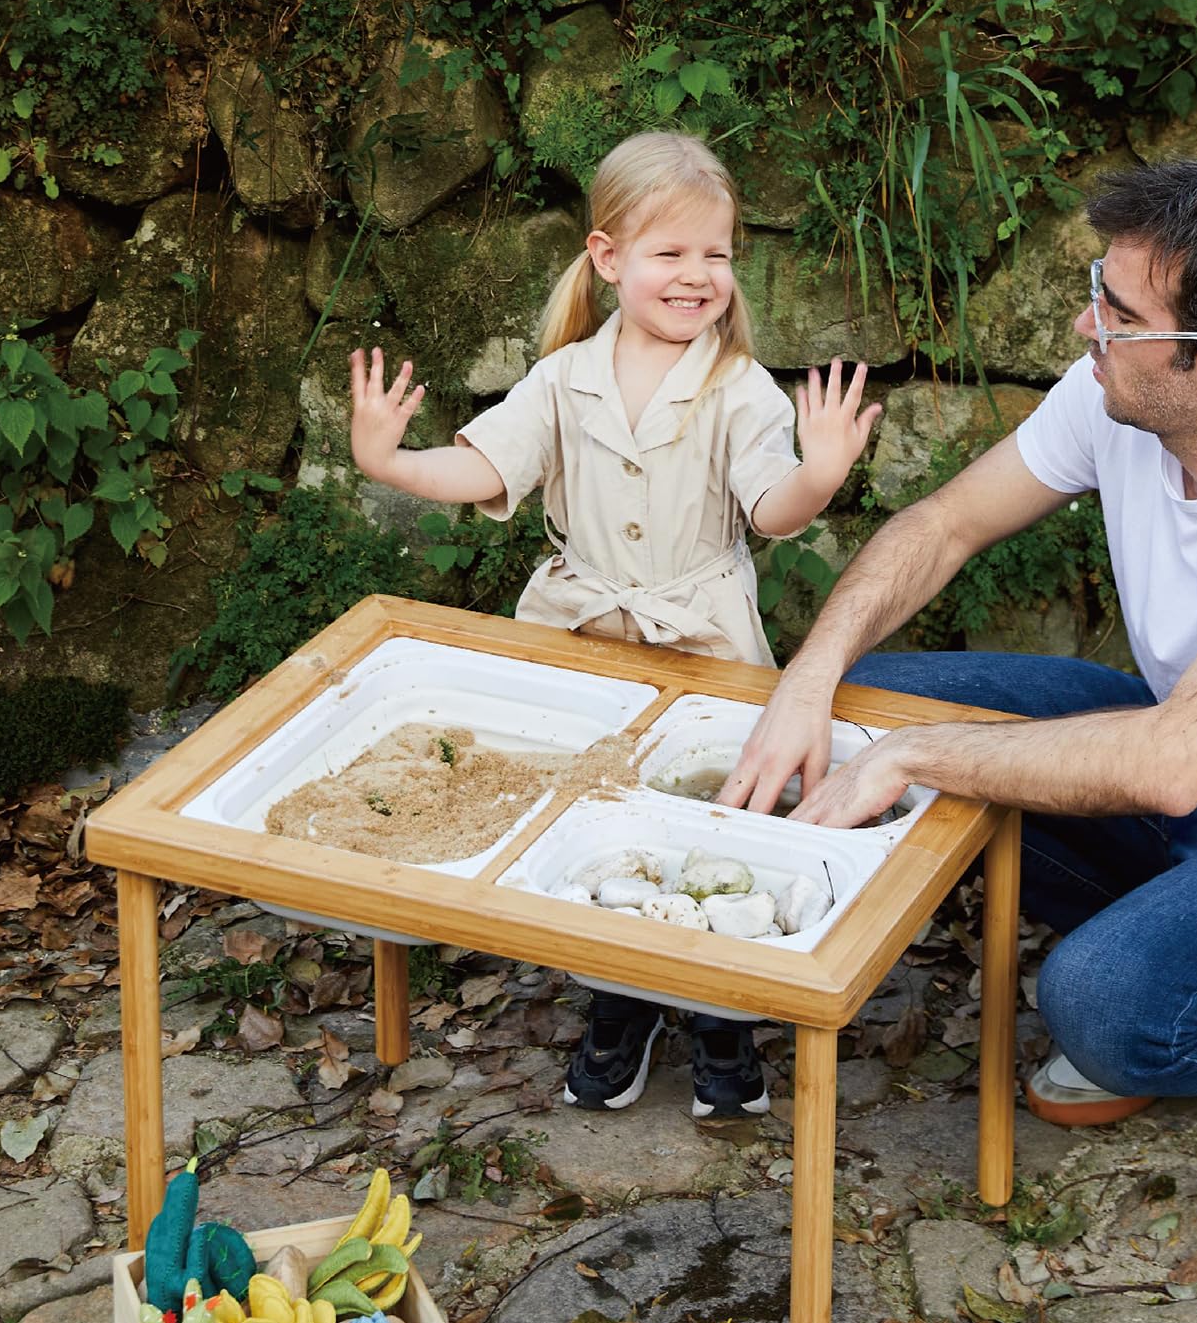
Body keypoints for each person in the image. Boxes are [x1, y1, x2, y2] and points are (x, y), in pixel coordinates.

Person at [719, 156, 1197, 1238]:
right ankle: (1188, 954)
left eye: (1117, 310)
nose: (1088, 327)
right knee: (867, 700)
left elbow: (1167, 764)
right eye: (1100, 287)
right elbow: (943, 525)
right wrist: (807, 683)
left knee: (1101, 1004)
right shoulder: (1126, 396)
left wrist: (908, 762)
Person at [349, 130, 881, 1121]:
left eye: (715, 254)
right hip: (583, 642)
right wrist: (393, 464)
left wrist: (820, 469)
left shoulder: (740, 388)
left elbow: (773, 507)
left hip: (708, 646)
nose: (697, 275)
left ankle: (721, 1013)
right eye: (670, 253)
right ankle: (623, 1003)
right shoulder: (563, 378)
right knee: (601, 821)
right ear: (607, 258)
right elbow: (487, 468)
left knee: (717, 819)